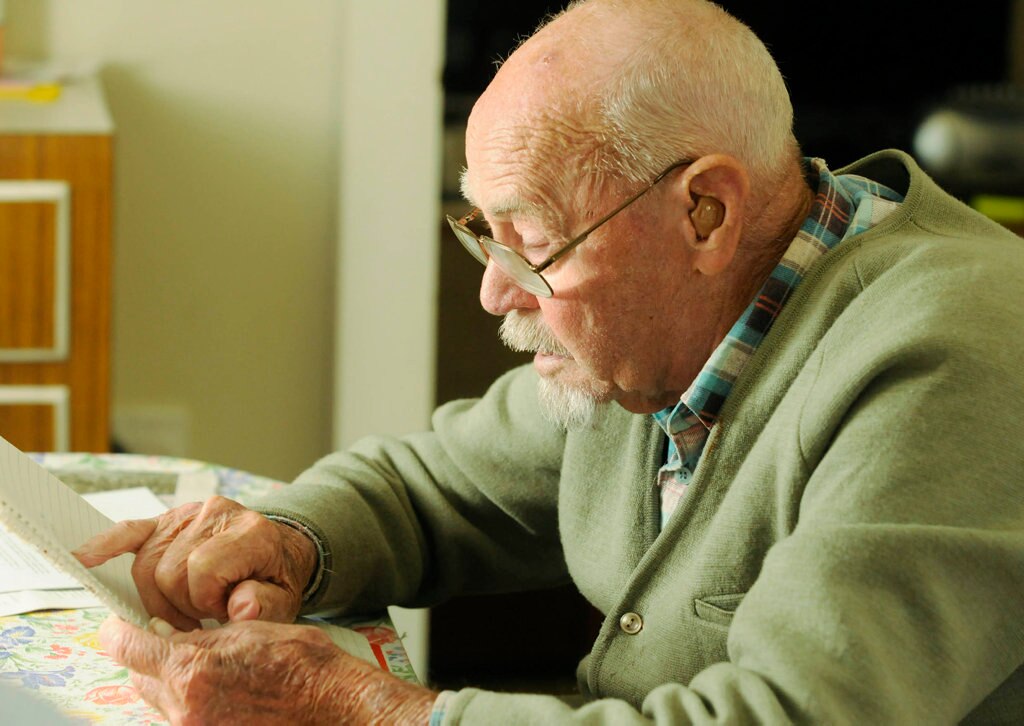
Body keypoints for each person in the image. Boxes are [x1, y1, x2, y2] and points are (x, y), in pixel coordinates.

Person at [74, 0, 1024, 722]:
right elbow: (432, 487)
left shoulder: (947, 358)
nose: (497, 289)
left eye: (529, 239)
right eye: (481, 232)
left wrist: (365, 709)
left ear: (706, 211)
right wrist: (289, 542)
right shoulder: (664, 324)